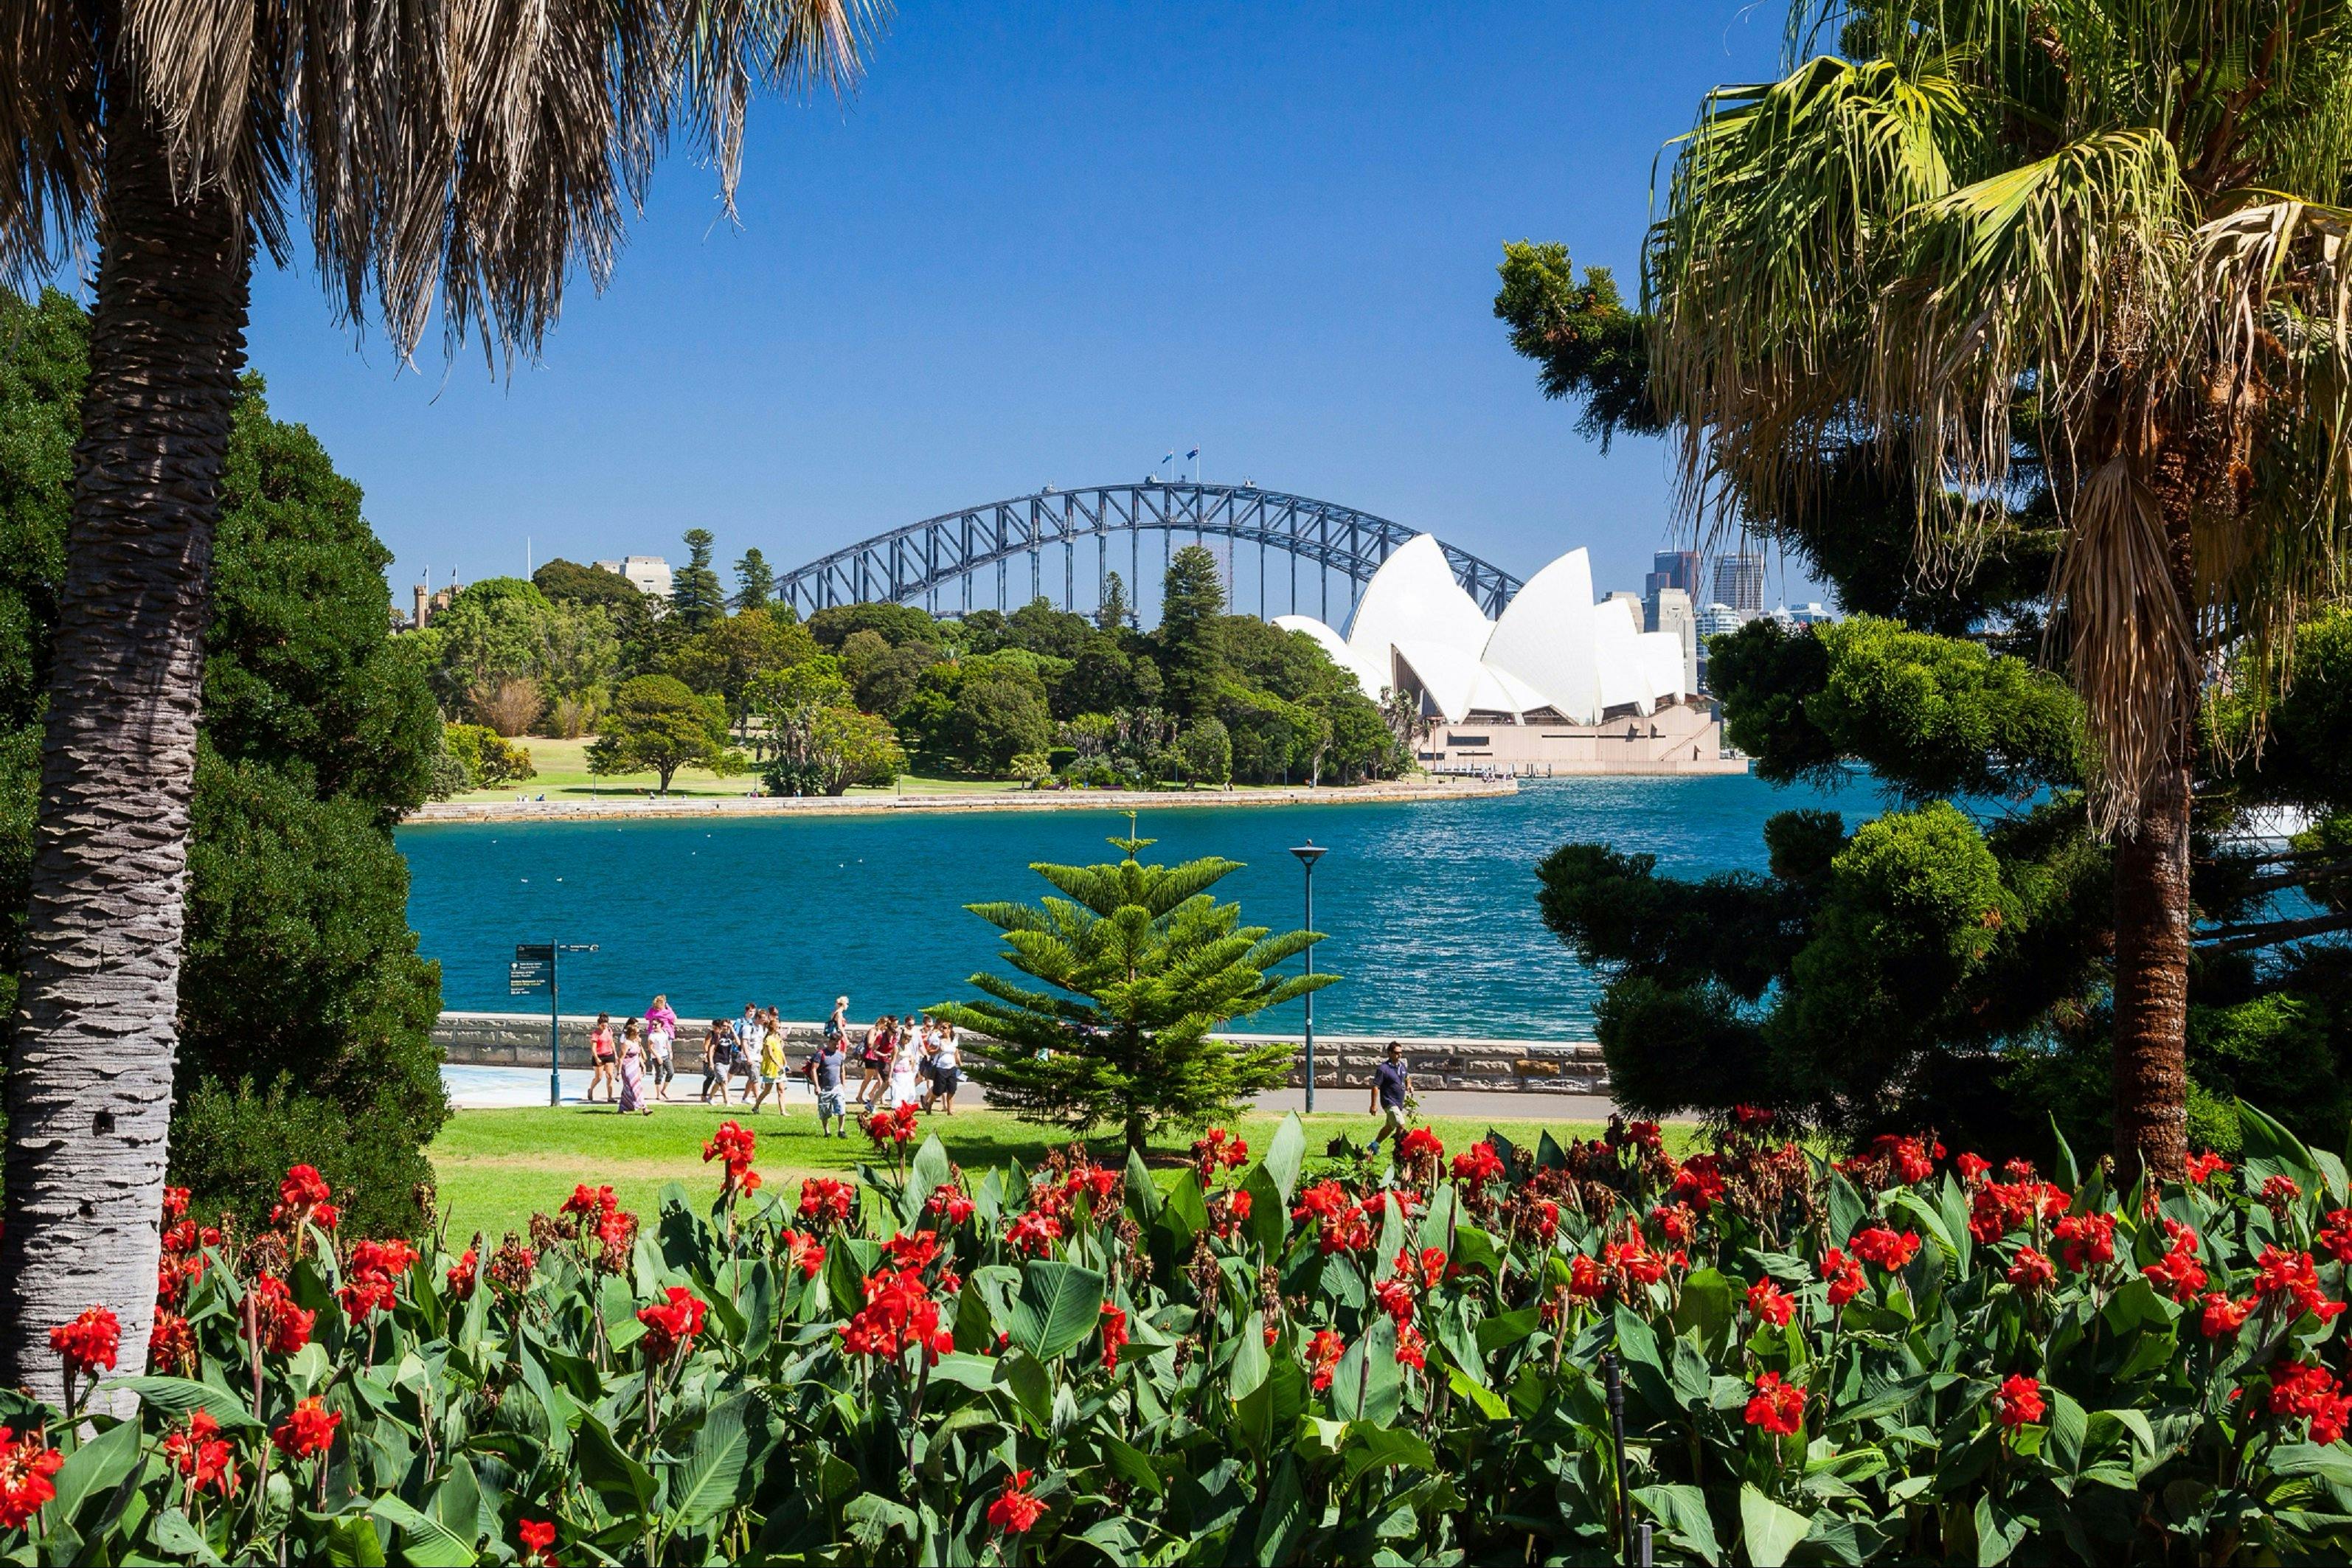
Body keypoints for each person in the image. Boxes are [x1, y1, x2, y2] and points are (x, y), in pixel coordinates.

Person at [1367, 1040, 1411, 1152]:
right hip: (1389, 1102)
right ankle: (1399, 1149)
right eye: (1396, 1053)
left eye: (1401, 1052)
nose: (1399, 1055)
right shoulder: (1383, 1069)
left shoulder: (1402, 1066)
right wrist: (1373, 1105)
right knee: (1401, 1125)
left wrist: (1409, 1085)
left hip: (1398, 1102)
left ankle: (1374, 1145)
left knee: (1389, 1127)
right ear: (1390, 1053)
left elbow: (1407, 1077)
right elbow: (1376, 1087)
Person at [806, 1030, 850, 1137]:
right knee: (824, 1111)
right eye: (835, 1044)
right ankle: (827, 1131)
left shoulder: (840, 1055)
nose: (836, 1047)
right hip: (824, 1087)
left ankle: (841, 1130)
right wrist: (817, 1086)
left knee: (841, 1108)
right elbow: (814, 1070)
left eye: (838, 1045)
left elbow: (842, 1070)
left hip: (837, 1087)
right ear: (830, 1042)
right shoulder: (821, 1054)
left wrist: (843, 1084)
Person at [749, 1013, 790, 1115]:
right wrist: (778, 1064)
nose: (780, 1029)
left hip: (779, 1067)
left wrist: (785, 1062)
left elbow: (781, 1051)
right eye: (778, 1027)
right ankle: (756, 1106)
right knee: (767, 1090)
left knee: (781, 1090)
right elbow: (771, 1055)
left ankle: (783, 1111)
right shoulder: (768, 1040)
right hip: (771, 1068)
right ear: (773, 1027)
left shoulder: (778, 1038)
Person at [925, 1019, 962, 1114]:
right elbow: (929, 1051)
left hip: (952, 1068)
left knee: (952, 1089)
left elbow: (956, 1053)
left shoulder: (954, 1040)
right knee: (938, 1091)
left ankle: (949, 1111)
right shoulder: (938, 1039)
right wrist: (938, 1050)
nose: (942, 1029)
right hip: (940, 1068)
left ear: (950, 1029)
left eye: (945, 1028)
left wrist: (960, 1064)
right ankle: (929, 1105)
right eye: (941, 1027)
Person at [617, 1020, 653, 1115]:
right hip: (627, 1068)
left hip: (635, 1067)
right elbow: (621, 1058)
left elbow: (638, 1056)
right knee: (635, 1087)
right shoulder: (626, 1043)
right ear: (631, 1033)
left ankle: (622, 1107)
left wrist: (643, 1066)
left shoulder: (636, 1043)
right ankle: (644, 1108)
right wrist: (619, 1073)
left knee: (628, 1088)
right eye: (637, 1033)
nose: (638, 1034)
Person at [857, 1015, 892, 1109]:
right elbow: (870, 1044)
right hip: (871, 1057)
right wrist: (878, 1037)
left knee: (881, 1079)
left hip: (878, 1058)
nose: (886, 1026)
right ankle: (860, 1096)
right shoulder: (873, 1031)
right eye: (885, 1024)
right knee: (868, 1078)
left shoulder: (882, 1032)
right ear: (881, 1022)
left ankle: (879, 1097)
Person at [887, 1024, 922, 1109]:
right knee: (899, 1093)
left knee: (911, 1093)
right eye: (906, 1039)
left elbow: (911, 1057)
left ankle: (906, 1108)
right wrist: (890, 1076)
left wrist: (912, 1066)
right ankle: (898, 1109)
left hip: (908, 1073)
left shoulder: (908, 1046)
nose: (907, 1041)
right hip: (899, 1074)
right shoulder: (897, 1047)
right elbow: (893, 1061)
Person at [586, 1012, 617, 1104]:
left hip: (609, 1055)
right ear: (599, 1025)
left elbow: (612, 1043)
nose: (604, 1027)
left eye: (606, 1025)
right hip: (599, 1056)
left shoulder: (609, 1030)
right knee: (599, 1077)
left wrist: (615, 1054)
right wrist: (597, 1058)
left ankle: (610, 1097)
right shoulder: (596, 1034)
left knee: (610, 1075)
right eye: (603, 1026)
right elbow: (593, 1048)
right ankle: (591, 1089)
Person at [699, 1019, 732, 1105]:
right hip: (711, 1058)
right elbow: (706, 1045)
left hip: (720, 1060)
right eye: (713, 1027)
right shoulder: (712, 1034)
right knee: (710, 1077)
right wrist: (708, 1057)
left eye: (715, 1028)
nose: (714, 1029)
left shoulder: (724, 1035)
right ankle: (704, 1095)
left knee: (718, 1080)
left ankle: (711, 1097)